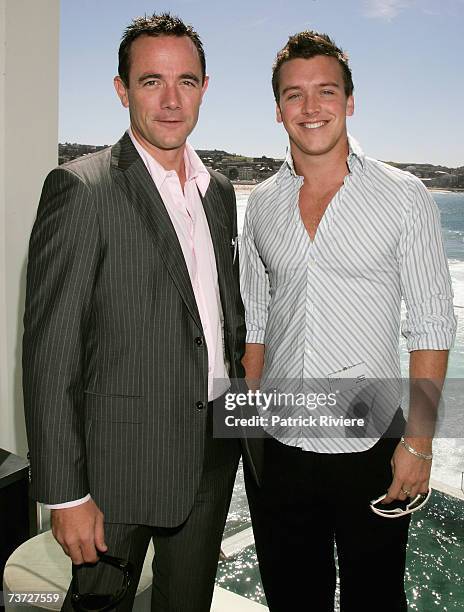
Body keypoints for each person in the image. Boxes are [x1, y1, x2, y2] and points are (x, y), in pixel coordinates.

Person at [23, 13, 249, 612]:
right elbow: (51, 354)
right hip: (118, 468)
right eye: (152, 82)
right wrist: (66, 496)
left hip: (212, 449)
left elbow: (223, 319)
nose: (172, 100)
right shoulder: (81, 190)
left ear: (205, 87)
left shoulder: (220, 192)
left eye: (187, 82)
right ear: (122, 90)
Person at [240, 31, 456, 611]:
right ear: (278, 107)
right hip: (280, 442)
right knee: (292, 596)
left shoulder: (403, 195)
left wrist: (420, 443)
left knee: (375, 598)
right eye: (295, 95)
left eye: (326, 91)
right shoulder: (259, 204)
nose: (311, 108)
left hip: (371, 444)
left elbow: (432, 322)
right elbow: (254, 319)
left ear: (350, 101)